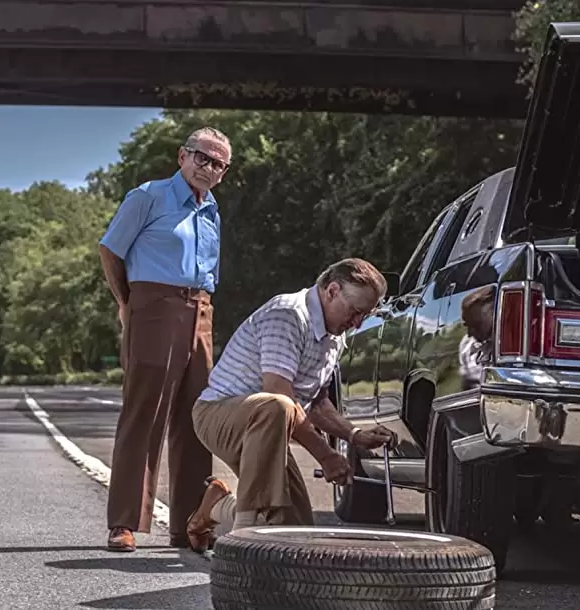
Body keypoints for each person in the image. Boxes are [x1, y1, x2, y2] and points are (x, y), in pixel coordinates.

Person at [183, 258, 397, 551]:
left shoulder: (333, 335)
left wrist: (354, 435)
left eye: (366, 315)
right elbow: (280, 393)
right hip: (220, 415)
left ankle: (217, 507)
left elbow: (316, 401)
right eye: (355, 311)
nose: (357, 322)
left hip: (270, 425)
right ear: (332, 290)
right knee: (277, 406)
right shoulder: (288, 315)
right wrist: (326, 455)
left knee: (293, 530)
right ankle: (245, 535)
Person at [97, 126, 232, 552]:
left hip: (202, 312)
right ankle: (124, 522)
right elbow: (110, 250)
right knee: (145, 414)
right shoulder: (148, 197)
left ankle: (190, 524)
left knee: (197, 420)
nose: (209, 169)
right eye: (203, 158)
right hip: (153, 307)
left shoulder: (212, 210)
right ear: (183, 156)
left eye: (219, 164)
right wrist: (127, 303)